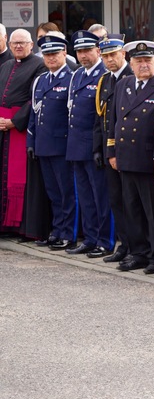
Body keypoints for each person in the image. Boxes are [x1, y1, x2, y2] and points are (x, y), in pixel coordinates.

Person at [111, 41, 154, 273]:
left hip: (147, 158)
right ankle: (138, 253)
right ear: (131, 63)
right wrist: (112, 151)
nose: (143, 65)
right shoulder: (124, 83)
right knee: (131, 209)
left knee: (152, 211)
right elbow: (114, 122)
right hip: (125, 156)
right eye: (138, 61)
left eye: (147, 60)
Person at [65, 31, 113, 257]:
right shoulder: (77, 75)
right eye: (79, 51)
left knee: (101, 196)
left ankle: (106, 240)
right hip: (76, 145)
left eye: (87, 51)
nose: (83, 56)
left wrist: (99, 147)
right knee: (85, 196)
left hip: (94, 146)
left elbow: (102, 117)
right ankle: (91, 238)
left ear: (98, 51)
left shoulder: (104, 75)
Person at [27, 36, 74, 248]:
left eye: (54, 54)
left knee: (66, 193)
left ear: (64, 53)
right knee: (53, 193)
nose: (51, 58)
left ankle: (68, 234)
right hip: (43, 145)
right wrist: (31, 140)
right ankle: (57, 230)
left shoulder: (72, 78)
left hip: (63, 145)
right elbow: (34, 113)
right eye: (47, 55)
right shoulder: (41, 80)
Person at [0, 30, 46, 237]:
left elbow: (34, 98)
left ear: (31, 45)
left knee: (21, 180)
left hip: (20, 128)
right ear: (9, 45)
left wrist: (14, 121)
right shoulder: (6, 65)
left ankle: (20, 226)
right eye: (15, 43)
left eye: (22, 43)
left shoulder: (39, 65)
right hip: (2, 127)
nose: (18, 46)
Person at [94, 33, 134, 261]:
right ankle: (124, 245)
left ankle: (137, 246)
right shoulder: (105, 80)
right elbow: (100, 118)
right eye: (105, 55)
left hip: (128, 150)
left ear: (123, 54)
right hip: (109, 150)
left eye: (113, 54)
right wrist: (98, 148)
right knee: (116, 201)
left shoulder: (131, 75)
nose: (109, 60)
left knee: (131, 202)